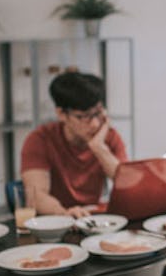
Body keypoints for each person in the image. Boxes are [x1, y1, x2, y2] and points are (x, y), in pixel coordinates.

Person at [21, 71, 128, 218]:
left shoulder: (108, 137)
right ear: (61, 114)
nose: (95, 124)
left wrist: (99, 148)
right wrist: (64, 213)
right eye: (83, 117)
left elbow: (128, 185)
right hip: (54, 220)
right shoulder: (40, 139)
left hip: (91, 218)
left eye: (97, 113)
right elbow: (36, 196)